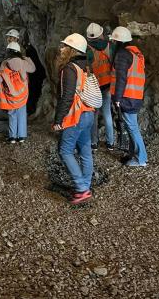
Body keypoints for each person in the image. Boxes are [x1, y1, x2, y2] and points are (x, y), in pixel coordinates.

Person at [52, 33, 95, 205]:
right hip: (88, 114)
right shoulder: (86, 66)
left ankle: (82, 188)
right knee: (85, 150)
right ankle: (86, 185)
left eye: (64, 46)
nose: (61, 49)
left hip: (76, 116)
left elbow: (67, 96)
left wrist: (58, 120)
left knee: (65, 150)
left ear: (73, 50)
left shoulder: (70, 68)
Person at [110, 26, 147, 167]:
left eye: (114, 40)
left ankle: (140, 158)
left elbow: (121, 78)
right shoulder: (136, 54)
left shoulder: (122, 55)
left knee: (132, 128)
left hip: (127, 97)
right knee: (132, 126)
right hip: (136, 96)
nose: (113, 42)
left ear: (118, 41)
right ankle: (134, 155)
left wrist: (117, 99)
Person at [0, 41, 35, 143]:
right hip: (22, 94)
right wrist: (26, 58)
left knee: (12, 114)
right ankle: (22, 137)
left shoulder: (5, 63)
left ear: (8, 51)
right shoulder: (23, 62)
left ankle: (12, 137)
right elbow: (33, 69)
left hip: (10, 95)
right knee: (21, 113)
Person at [86, 22, 115, 151]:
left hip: (95, 87)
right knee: (107, 113)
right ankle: (110, 143)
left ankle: (94, 143)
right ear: (101, 34)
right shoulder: (110, 46)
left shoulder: (87, 49)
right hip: (108, 85)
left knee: (94, 115)